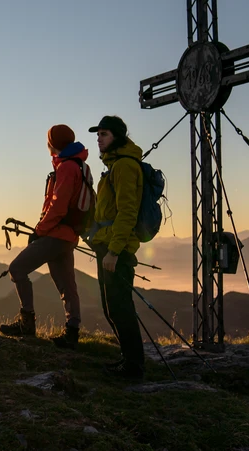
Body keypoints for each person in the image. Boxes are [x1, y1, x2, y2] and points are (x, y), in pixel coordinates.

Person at [0, 124, 91, 348]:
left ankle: (27, 324)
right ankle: (72, 332)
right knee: (66, 285)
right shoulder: (79, 165)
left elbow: (58, 207)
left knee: (17, 269)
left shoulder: (66, 168)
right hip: (68, 235)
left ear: (53, 143)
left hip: (55, 234)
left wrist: (39, 231)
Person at [87, 115, 145, 379]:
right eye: (98, 134)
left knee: (120, 307)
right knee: (113, 307)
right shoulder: (114, 166)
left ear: (117, 137)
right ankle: (128, 360)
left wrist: (113, 251)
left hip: (116, 249)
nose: (99, 139)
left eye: (104, 134)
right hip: (108, 244)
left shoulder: (123, 166)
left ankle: (133, 366)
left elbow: (127, 213)